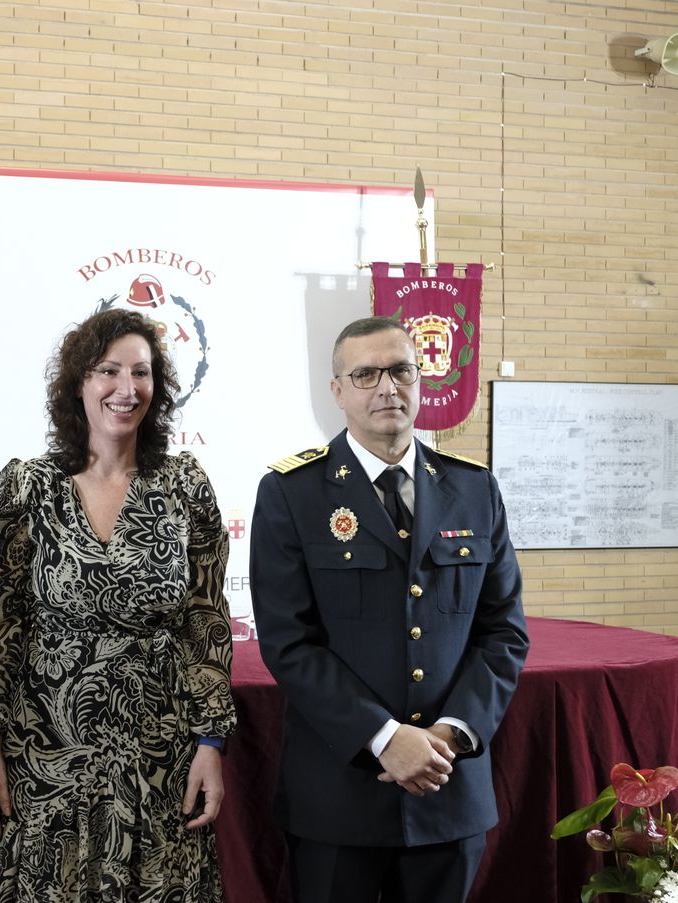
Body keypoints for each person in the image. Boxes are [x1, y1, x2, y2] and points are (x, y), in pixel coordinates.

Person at [249, 316, 529, 903]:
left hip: (448, 788)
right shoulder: (292, 492)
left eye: (401, 370)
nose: (387, 387)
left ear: (420, 380)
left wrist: (449, 735)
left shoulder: (474, 489)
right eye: (366, 374)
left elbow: (503, 632)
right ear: (338, 390)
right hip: (339, 796)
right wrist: (383, 737)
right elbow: (288, 641)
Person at [0, 307, 236, 902]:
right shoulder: (28, 489)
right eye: (108, 371)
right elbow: (5, 625)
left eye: (141, 373)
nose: (127, 388)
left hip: (160, 756)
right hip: (46, 756)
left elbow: (206, 622)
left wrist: (211, 744)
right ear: (79, 385)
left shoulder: (185, 487)